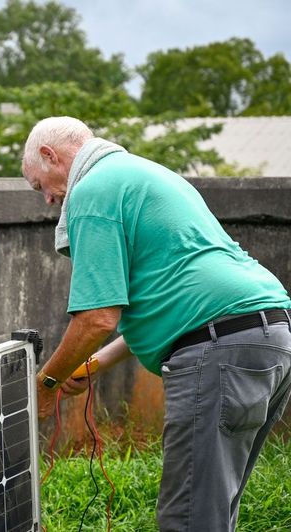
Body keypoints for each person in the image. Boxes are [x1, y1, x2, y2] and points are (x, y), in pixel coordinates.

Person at [22, 116, 291, 531]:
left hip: (220, 345)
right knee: (215, 509)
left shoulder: (92, 190)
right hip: (270, 333)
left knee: (189, 517)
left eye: (39, 186)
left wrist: (46, 385)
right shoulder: (143, 174)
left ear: (49, 155)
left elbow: (97, 319)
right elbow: (167, 302)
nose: (47, 200)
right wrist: (91, 367)